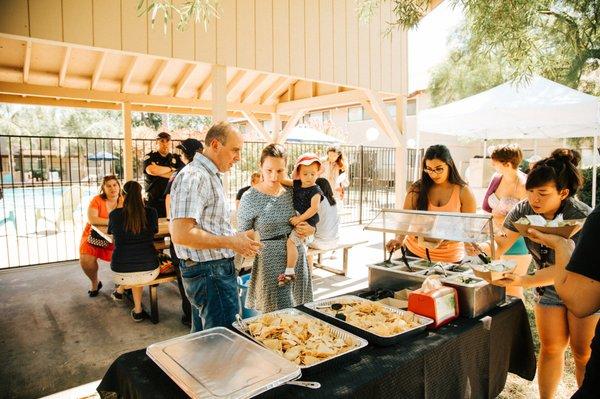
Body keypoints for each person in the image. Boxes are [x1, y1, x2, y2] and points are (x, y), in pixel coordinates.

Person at [477, 149, 595, 399]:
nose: (534, 199)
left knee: (583, 353)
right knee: (551, 349)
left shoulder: (582, 215)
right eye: (530, 192)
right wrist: (479, 246)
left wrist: (524, 280)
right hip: (548, 289)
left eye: (542, 193)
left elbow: (569, 267)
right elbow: (500, 244)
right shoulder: (522, 210)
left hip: (583, 287)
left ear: (563, 193)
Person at [170, 122, 262, 332]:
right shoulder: (195, 176)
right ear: (215, 144)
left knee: (204, 341)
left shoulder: (207, 175)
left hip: (209, 272)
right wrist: (231, 242)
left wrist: (238, 236)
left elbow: (207, 226)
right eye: (235, 150)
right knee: (224, 342)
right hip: (210, 273)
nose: (238, 157)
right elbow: (181, 234)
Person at [522, 207, 600, 399]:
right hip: (548, 294)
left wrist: (562, 246)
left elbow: (580, 302)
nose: (535, 199)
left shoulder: (592, 217)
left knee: (582, 353)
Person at [238, 144, 316, 313]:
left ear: (287, 169)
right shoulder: (249, 197)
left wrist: (311, 231)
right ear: (260, 167)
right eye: (269, 170)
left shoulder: (294, 192)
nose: (274, 176)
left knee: (303, 314)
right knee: (277, 320)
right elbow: (242, 236)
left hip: (297, 257)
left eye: (280, 171)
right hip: (270, 262)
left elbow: (311, 222)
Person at [386, 145, 477, 263]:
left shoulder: (464, 191)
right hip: (415, 253)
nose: (433, 174)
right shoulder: (417, 189)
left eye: (439, 169)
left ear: (449, 164)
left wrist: (469, 246)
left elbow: (468, 228)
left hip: (449, 257)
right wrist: (398, 239)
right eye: (429, 169)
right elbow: (405, 219)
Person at [482, 144, 531, 299]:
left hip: (517, 244)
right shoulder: (496, 178)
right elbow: (486, 207)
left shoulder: (524, 185)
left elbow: (526, 220)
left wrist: (500, 217)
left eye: (495, 162)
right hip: (495, 240)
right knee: (497, 290)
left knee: (513, 291)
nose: (492, 165)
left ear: (508, 164)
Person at [165, 137, 203, 327]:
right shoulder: (195, 173)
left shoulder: (179, 174)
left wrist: (171, 223)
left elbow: (169, 202)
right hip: (192, 233)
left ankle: (189, 316)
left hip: (180, 233)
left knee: (184, 275)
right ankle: (193, 317)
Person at [108, 181, 159, 322]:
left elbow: (113, 238)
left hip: (120, 271)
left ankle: (126, 297)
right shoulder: (152, 212)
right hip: (150, 271)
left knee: (131, 261)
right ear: (140, 195)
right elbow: (154, 232)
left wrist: (119, 206)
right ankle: (134, 307)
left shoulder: (114, 215)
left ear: (122, 196)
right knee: (139, 261)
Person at [279, 153, 323, 284]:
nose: (309, 177)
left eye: (313, 174)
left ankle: (290, 271)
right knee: (294, 242)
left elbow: (314, 208)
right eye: (305, 174)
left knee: (291, 242)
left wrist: (299, 219)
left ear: (317, 174)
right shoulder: (297, 184)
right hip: (300, 220)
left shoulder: (316, 190)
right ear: (299, 173)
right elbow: (282, 180)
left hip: (307, 221)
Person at [79, 175, 122, 297]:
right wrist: (113, 221)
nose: (112, 188)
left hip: (116, 235)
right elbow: (92, 219)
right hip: (94, 235)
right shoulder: (97, 200)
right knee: (86, 259)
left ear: (119, 186)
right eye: (108, 186)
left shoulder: (124, 200)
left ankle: (124, 282)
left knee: (124, 254)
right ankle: (95, 283)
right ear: (103, 188)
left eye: (115, 185)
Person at [143, 132, 184, 218]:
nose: (165, 144)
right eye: (162, 141)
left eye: (167, 141)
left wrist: (159, 172)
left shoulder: (175, 158)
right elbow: (151, 170)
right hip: (153, 201)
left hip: (171, 201)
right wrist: (170, 168)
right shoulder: (150, 156)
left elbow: (179, 174)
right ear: (156, 143)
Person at [310, 177, 340, 250]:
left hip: (320, 243)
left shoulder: (318, 200)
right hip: (335, 241)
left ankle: (307, 261)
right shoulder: (334, 201)